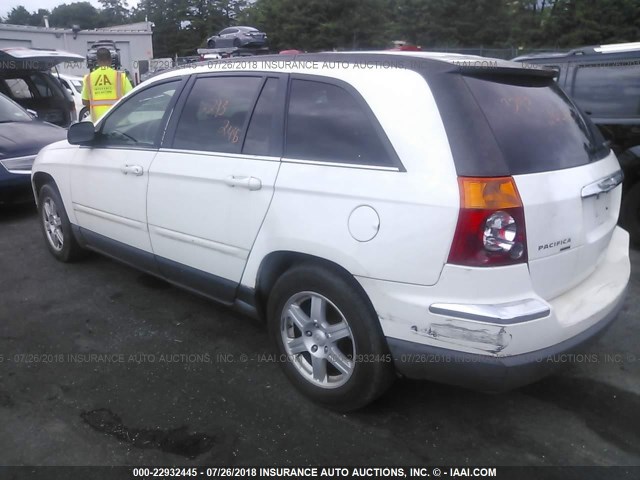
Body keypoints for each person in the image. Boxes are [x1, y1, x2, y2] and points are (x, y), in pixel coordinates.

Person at [81, 47, 132, 123]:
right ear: (111, 60)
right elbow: (131, 97)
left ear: (97, 61)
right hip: (118, 123)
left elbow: (84, 101)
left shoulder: (89, 78)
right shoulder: (120, 76)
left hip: (98, 123)